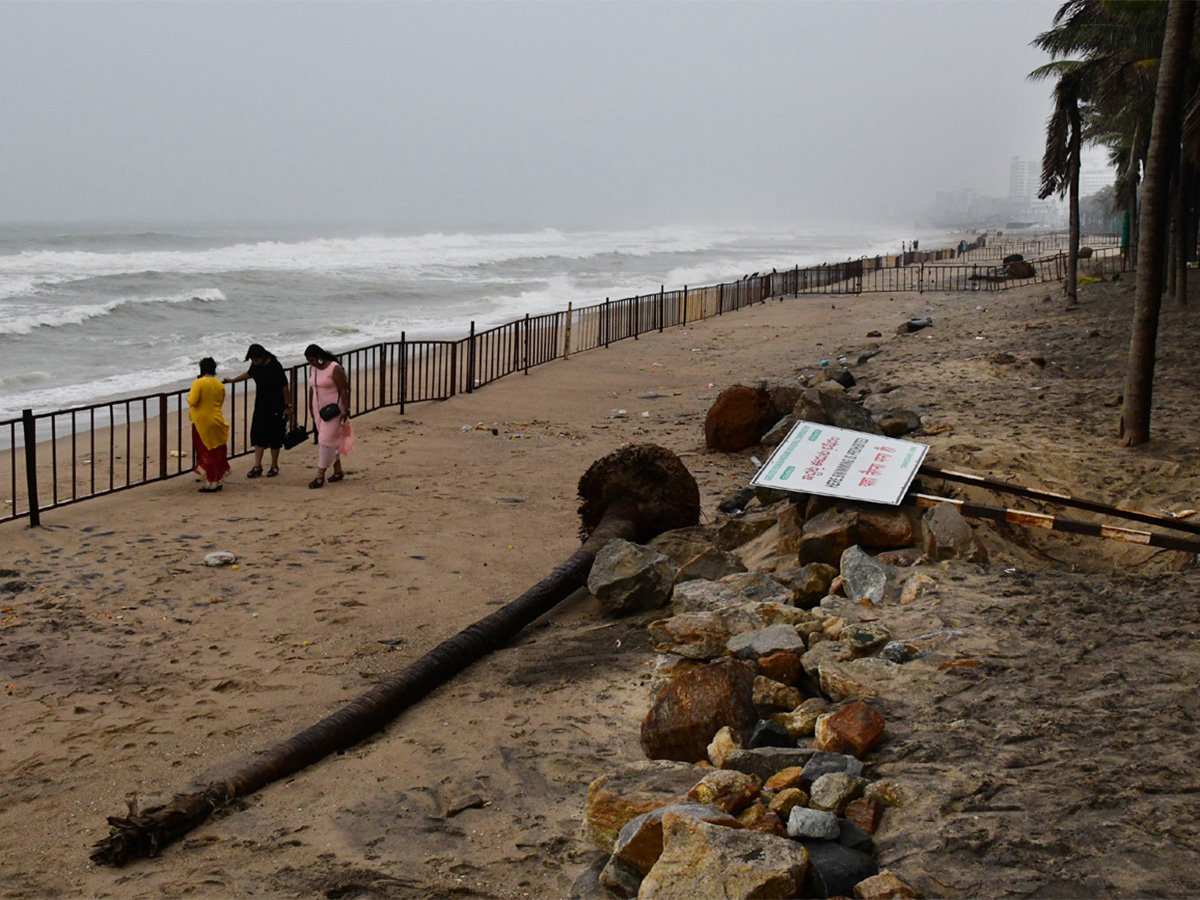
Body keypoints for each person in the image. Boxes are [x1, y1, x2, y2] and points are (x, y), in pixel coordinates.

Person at [223, 343, 294, 478]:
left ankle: (274, 465)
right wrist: (233, 380)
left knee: (275, 436)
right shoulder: (255, 366)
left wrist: (288, 406)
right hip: (261, 405)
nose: (254, 362)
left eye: (256, 360)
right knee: (258, 434)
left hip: (276, 406)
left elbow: (285, 387)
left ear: (263, 356)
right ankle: (257, 466)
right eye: (252, 360)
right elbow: (250, 374)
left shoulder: (275, 366)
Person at [305, 343, 351, 488]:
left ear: (319, 358)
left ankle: (320, 476)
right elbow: (312, 389)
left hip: (335, 410)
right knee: (330, 441)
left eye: (312, 360)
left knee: (325, 441)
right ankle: (338, 471)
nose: (311, 363)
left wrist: (346, 408)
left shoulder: (334, 368)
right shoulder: (313, 369)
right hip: (318, 409)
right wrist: (310, 408)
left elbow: (344, 389)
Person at [187, 357, 230, 492]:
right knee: (216, 450)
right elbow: (221, 401)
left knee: (205, 450)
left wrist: (187, 398)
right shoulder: (219, 384)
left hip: (202, 421)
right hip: (217, 419)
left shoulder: (199, 383)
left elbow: (193, 401)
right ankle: (218, 478)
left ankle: (212, 483)